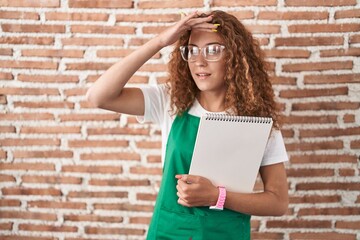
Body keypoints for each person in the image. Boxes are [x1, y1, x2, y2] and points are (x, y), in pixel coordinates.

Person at [86, 10, 289, 240]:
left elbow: (278, 201)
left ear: (235, 56)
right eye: (191, 51)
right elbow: (99, 96)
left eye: (213, 50)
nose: (199, 61)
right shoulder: (171, 101)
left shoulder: (258, 120)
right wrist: (161, 41)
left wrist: (216, 197)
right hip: (168, 232)